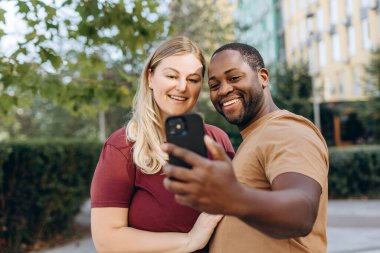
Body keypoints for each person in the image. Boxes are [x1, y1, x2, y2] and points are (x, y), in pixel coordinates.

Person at [162, 43, 329, 253]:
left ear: (263, 77)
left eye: (234, 78)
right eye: (214, 86)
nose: (224, 90)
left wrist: (233, 198)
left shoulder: (286, 130)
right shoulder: (253, 138)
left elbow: (302, 212)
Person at [90, 36, 235, 253]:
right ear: (150, 77)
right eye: (171, 76)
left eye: (193, 79)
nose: (182, 87)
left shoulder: (217, 140)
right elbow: (106, 240)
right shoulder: (123, 147)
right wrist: (190, 240)